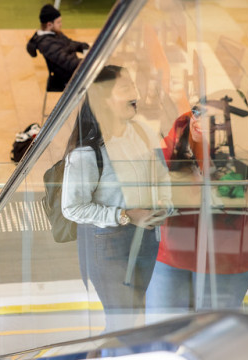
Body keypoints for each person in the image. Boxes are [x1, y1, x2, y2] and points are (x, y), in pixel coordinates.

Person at [61, 65, 172, 333]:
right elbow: (72, 208)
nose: (136, 93)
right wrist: (125, 215)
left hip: (147, 236)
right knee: (121, 321)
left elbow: (161, 175)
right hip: (109, 244)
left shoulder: (143, 132)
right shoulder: (87, 152)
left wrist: (164, 203)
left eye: (133, 85)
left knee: (136, 313)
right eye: (125, 88)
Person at [146, 107, 248, 322]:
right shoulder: (175, 141)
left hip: (225, 257)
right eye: (197, 111)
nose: (200, 119)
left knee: (213, 334)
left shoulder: (245, 155)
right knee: (161, 330)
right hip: (174, 253)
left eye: (213, 116)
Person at [26, 4, 90, 91]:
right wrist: (90, 62)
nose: (61, 24)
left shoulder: (55, 33)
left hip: (74, 71)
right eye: (58, 22)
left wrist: (84, 47)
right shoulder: (46, 44)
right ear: (49, 24)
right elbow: (68, 63)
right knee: (107, 75)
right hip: (66, 78)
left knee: (110, 72)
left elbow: (70, 43)